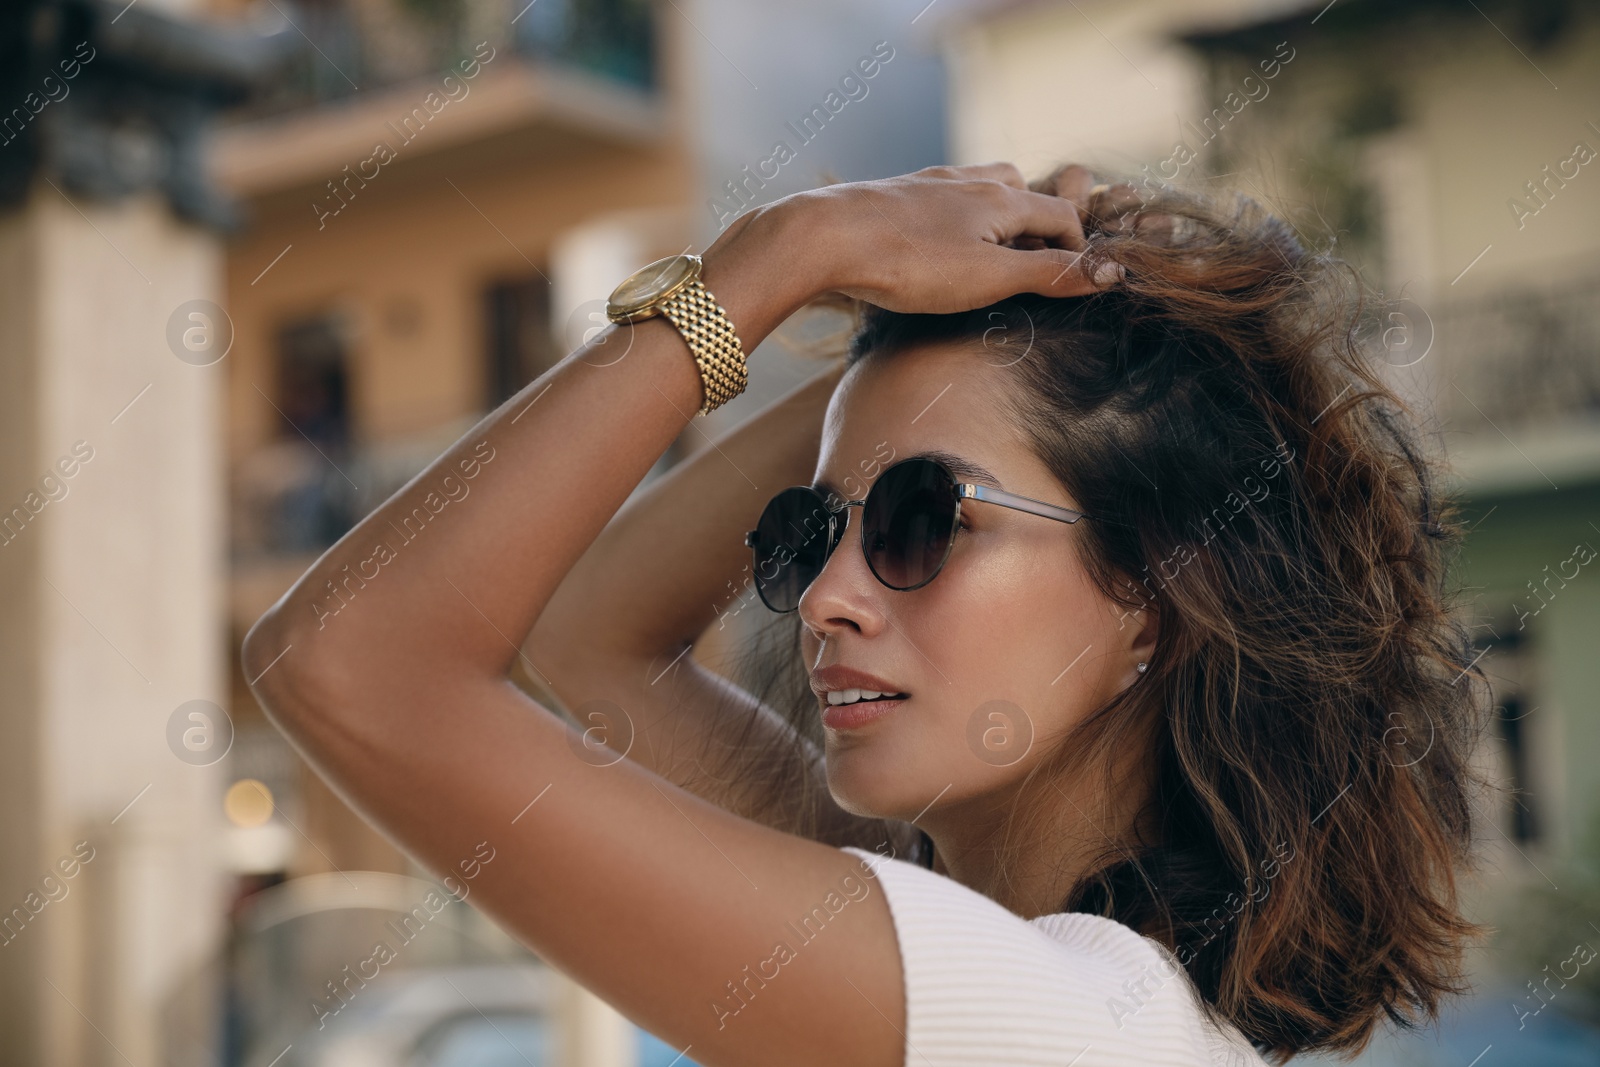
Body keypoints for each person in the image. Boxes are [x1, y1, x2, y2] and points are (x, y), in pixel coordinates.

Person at [243, 162, 1487, 1066]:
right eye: (808, 531)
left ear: (1153, 602)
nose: (826, 596)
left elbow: (346, 660)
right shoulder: (1033, 977)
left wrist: (781, 257)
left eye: (919, 519)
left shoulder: (1038, 1021)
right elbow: (581, 627)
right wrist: (954, 320)